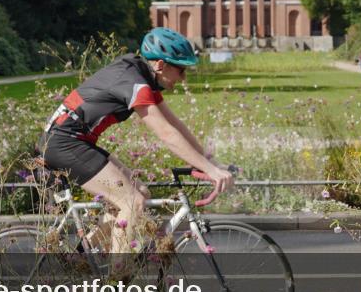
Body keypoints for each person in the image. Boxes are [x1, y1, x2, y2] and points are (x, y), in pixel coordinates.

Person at [41, 27, 234, 253]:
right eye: (181, 70)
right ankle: (117, 274)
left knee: (141, 193)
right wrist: (210, 170)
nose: (183, 78)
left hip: (72, 141)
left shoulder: (141, 75)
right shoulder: (135, 83)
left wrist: (209, 162)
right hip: (64, 143)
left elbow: (175, 125)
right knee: (132, 203)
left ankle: (81, 256)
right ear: (160, 65)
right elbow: (166, 134)